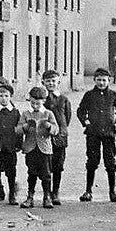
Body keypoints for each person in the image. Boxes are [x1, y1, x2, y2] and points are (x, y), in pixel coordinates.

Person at [77, 68, 116, 203]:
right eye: (99, 80)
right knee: (92, 161)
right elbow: (81, 110)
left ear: (109, 81)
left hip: (109, 134)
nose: (101, 83)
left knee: (110, 162)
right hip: (93, 133)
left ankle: (112, 191)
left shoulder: (113, 95)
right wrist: (85, 122)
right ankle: (88, 191)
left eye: (104, 80)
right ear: (94, 80)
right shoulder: (89, 95)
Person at [18, 86, 58, 209]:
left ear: (43, 101)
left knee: (46, 174)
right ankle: (30, 197)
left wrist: (48, 126)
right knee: (32, 173)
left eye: (37, 103)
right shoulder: (25, 113)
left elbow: (56, 129)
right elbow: (18, 130)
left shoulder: (48, 113)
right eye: (33, 103)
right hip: (31, 148)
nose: (35, 105)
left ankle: (47, 197)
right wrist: (25, 126)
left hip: (44, 148)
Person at [41, 70, 72, 205]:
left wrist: (61, 131)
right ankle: (46, 194)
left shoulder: (64, 99)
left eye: (53, 81)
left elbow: (67, 117)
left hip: (59, 137)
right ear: (43, 83)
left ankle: (55, 192)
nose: (51, 83)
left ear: (58, 82)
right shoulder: (41, 99)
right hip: (45, 137)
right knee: (45, 166)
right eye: (48, 81)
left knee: (58, 166)